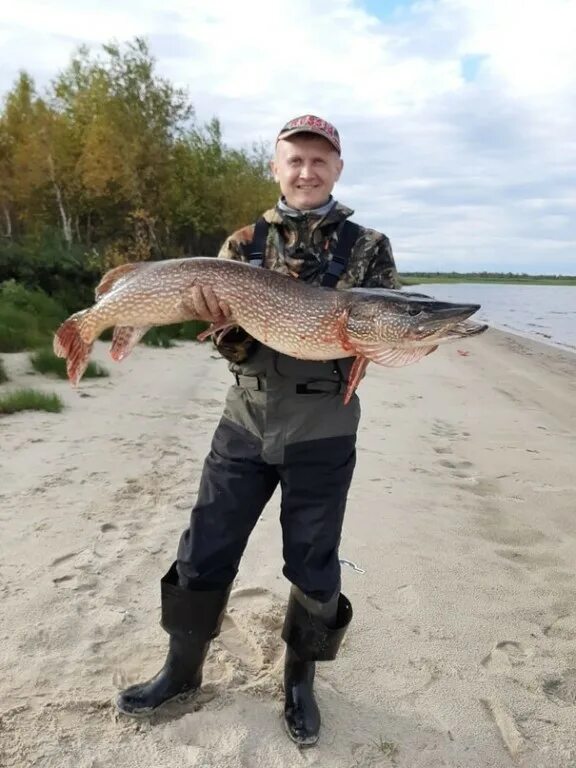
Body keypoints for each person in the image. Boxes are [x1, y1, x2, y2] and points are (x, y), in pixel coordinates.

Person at [116, 114, 400, 747]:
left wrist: (406, 339)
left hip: (323, 427)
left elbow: (380, 330)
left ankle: (300, 680)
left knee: (314, 562)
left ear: (337, 168)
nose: (306, 170)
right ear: (276, 167)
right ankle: (180, 671)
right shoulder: (241, 244)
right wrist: (222, 324)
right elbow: (229, 346)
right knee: (205, 546)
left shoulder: (369, 246)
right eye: (294, 159)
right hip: (245, 420)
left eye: (319, 160)